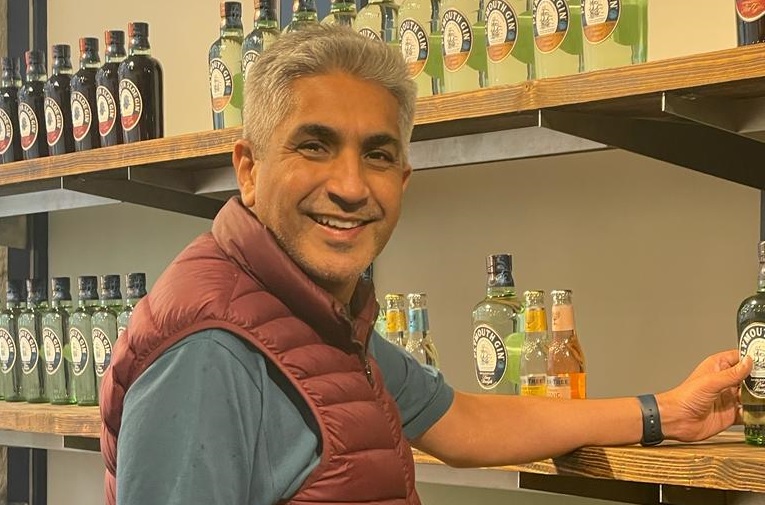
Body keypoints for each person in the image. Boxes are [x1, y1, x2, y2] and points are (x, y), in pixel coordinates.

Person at [99, 24, 752, 505]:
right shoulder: (208, 350)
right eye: (315, 145)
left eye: (377, 155)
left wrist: (662, 411)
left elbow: (462, 422)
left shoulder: (307, 315)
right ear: (248, 168)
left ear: (403, 179)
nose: (350, 186)